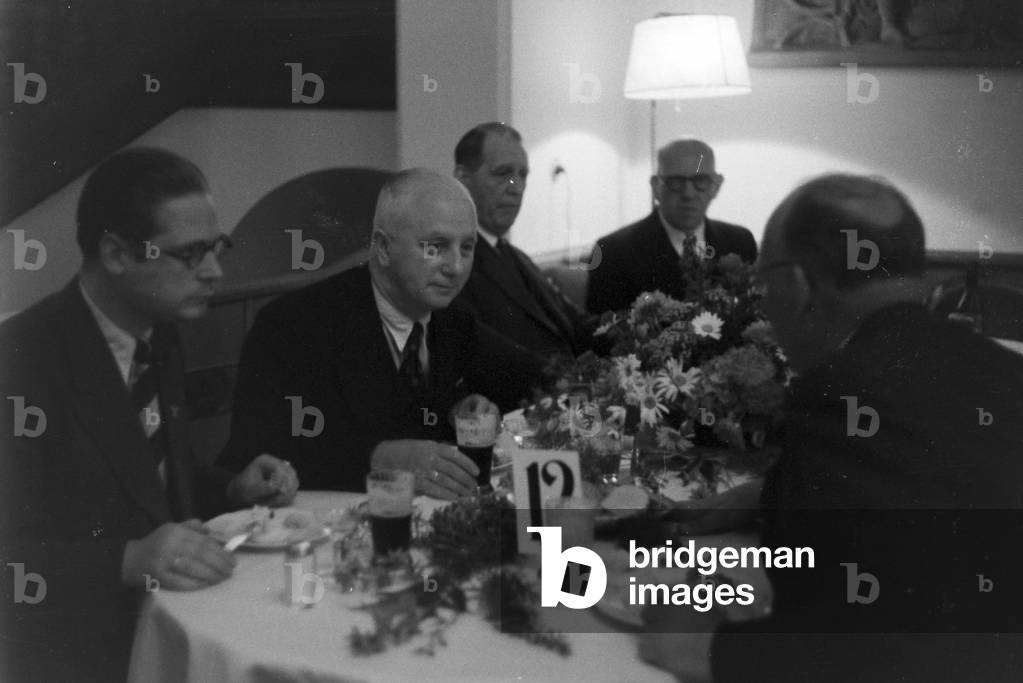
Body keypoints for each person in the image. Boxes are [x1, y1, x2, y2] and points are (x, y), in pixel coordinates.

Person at [637, 174, 1023, 682]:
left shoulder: (839, 393)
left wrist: (705, 650)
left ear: (797, 284)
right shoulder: (1001, 368)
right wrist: (773, 492)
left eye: (764, 281)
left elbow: (884, 652)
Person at [0, 147, 298, 683]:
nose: (215, 272)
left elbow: (146, 480)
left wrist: (231, 490)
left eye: (216, 247)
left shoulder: (158, 336)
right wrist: (127, 559)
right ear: (116, 254)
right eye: (190, 254)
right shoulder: (23, 361)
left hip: (169, 629)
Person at [220, 169, 532, 495]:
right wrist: (376, 458)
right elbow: (260, 457)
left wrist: (467, 411)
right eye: (435, 247)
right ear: (382, 247)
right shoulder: (291, 326)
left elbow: (534, 376)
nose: (455, 267)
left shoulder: (453, 322)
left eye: (466, 248)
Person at [452, 122, 598, 368]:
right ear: (463, 178)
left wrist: (640, 323)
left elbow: (577, 323)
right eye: (503, 174)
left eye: (522, 175)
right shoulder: (454, 263)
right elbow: (486, 357)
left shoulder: (517, 257)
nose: (517, 188)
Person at [587, 139, 757, 315]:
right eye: (676, 182)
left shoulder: (741, 242)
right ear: (656, 187)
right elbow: (600, 334)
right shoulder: (613, 251)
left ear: (716, 186)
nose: (689, 194)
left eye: (701, 181)